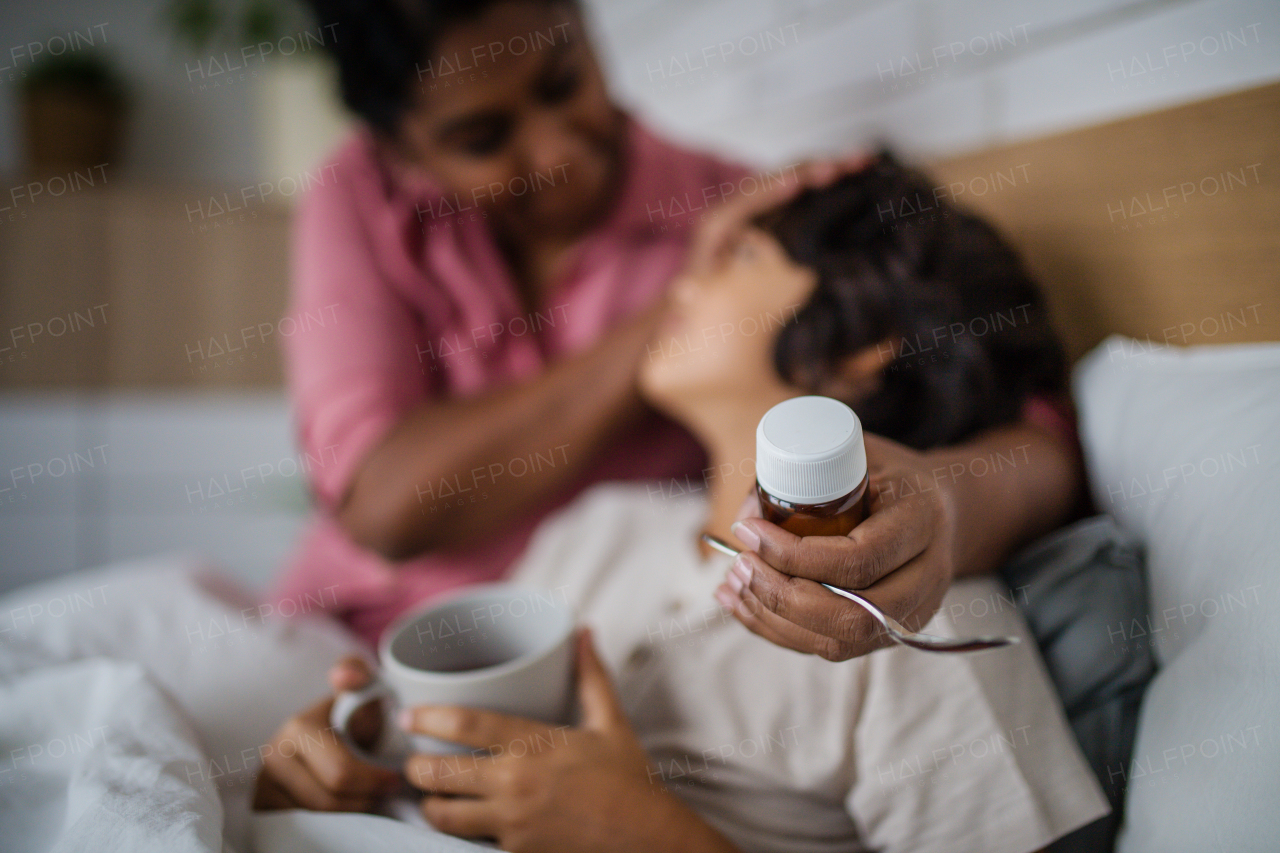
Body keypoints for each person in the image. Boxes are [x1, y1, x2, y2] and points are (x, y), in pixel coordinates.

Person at [254, 155, 1110, 853]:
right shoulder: (595, 533)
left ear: (858, 348)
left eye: (740, 255)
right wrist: (333, 773)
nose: (681, 278)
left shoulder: (916, 629)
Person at [274, 0, 1085, 656]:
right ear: (399, 146)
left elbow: (1029, 421)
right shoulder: (359, 196)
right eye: (482, 137)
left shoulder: (735, 211)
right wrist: (672, 307)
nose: (557, 151)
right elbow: (384, 504)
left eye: (564, 80)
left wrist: (945, 503)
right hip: (343, 637)